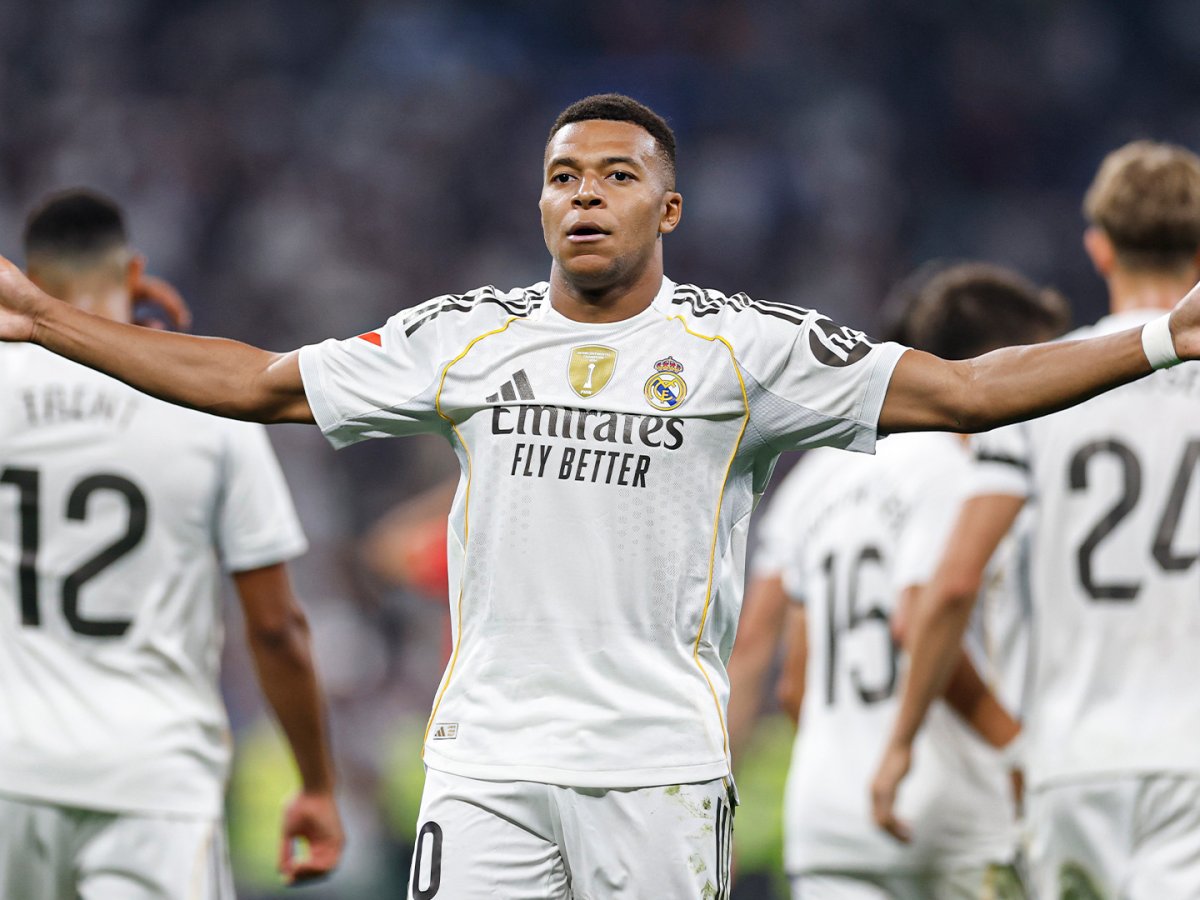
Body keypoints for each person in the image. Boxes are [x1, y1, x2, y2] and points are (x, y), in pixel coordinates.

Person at [0, 97, 1196, 898]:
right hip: (488, 767)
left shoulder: (747, 349)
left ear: (667, 210)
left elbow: (967, 392)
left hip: (659, 772)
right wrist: (49, 321)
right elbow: (258, 382)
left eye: (617, 177)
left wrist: (1158, 342)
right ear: (539, 205)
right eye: (563, 178)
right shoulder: (464, 337)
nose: (584, 195)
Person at [871, 140, 1200, 899]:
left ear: (1099, 247)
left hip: (1069, 761)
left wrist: (900, 744)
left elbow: (956, 582)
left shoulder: (1044, 388)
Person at [0, 190, 344, 899]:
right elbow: (275, 628)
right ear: (134, 273)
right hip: (153, 774)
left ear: (30, 278)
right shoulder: (207, 402)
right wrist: (316, 783)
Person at [727, 262, 1068, 899]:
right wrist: (1017, 750)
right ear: (1001, 364)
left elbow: (794, 681)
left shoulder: (818, 478)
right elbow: (928, 614)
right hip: (949, 813)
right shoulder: (958, 465)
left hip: (827, 816)